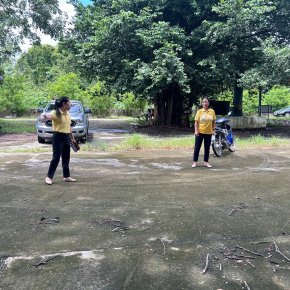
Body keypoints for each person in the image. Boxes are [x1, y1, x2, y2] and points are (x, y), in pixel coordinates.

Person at [42, 97, 77, 185]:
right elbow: (48, 116)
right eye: (69, 103)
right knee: (56, 158)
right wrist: (44, 116)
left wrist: (72, 137)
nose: (71, 105)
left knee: (66, 157)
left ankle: (66, 176)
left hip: (66, 137)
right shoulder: (55, 112)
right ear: (64, 104)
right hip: (58, 137)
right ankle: (49, 177)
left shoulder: (67, 113)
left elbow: (69, 126)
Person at [192, 97, 216, 168]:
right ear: (202, 103)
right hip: (200, 132)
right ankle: (194, 162)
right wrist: (196, 131)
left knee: (207, 148)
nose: (204, 103)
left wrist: (213, 130)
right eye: (203, 102)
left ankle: (206, 162)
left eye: (206, 102)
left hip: (209, 133)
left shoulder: (212, 111)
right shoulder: (199, 111)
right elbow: (196, 122)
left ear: (208, 103)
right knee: (197, 148)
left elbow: (214, 121)